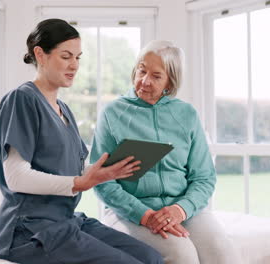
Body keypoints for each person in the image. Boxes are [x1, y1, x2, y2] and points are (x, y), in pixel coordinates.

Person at [0, 19, 164, 264]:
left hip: (67, 220)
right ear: (40, 54)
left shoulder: (64, 110)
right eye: (66, 56)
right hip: (28, 231)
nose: (75, 65)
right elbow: (16, 177)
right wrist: (80, 182)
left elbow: (71, 170)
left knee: (151, 257)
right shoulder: (22, 99)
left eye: (78, 58)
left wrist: (108, 171)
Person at [90, 40, 242, 264]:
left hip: (181, 207)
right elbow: (102, 181)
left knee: (222, 251)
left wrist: (181, 210)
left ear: (170, 82)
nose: (144, 81)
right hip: (129, 211)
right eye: (142, 70)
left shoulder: (186, 114)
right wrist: (145, 215)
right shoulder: (112, 113)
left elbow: (204, 177)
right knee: (182, 254)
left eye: (156, 76)